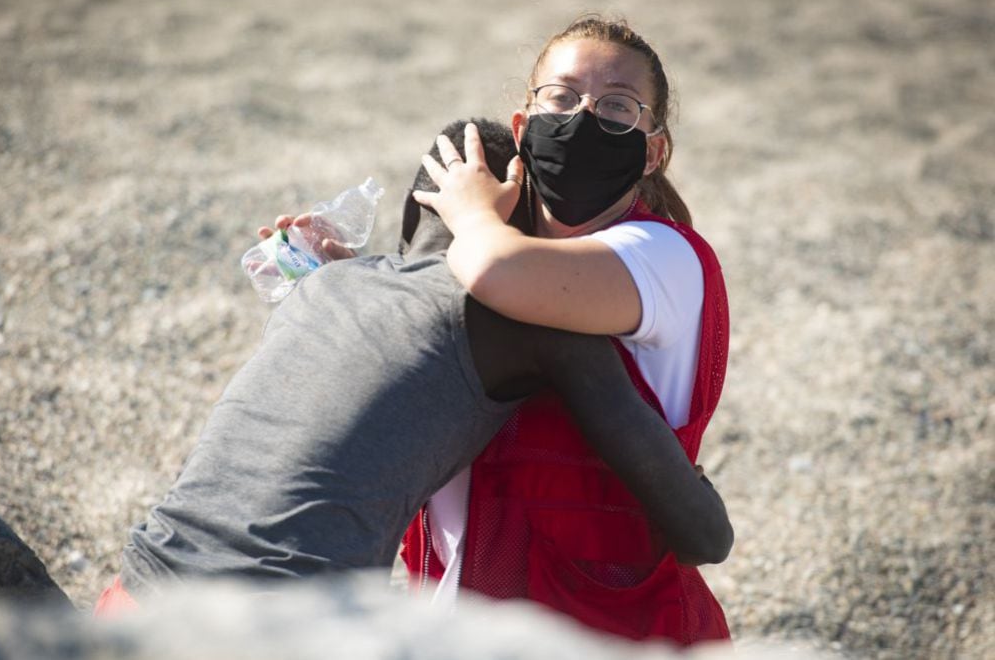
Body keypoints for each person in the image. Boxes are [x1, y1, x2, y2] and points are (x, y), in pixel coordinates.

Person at [93, 118, 732, 617]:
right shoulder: (533, 324)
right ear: (524, 241)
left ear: (408, 221)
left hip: (136, 593)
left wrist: (347, 270)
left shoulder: (325, 285)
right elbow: (707, 537)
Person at [403, 15, 733, 646]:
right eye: (561, 96)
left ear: (653, 149)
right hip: (456, 621)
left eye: (617, 107)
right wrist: (336, 276)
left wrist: (471, 209)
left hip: (617, 636)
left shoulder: (664, 258)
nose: (583, 118)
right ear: (524, 127)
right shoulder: (487, 250)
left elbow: (500, 271)